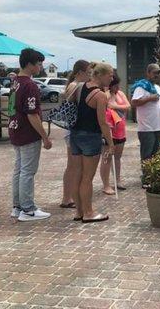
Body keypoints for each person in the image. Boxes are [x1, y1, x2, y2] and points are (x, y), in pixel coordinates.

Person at [8, 48, 52, 222]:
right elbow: (32, 114)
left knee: (19, 170)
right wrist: (45, 137)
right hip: (27, 132)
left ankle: (17, 206)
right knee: (27, 171)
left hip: (15, 129)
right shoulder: (30, 85)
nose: (41, 67)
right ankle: (28, 209)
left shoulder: (14, 82)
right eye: (39, 64)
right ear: (30, 64)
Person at [69, 62, 114, 223]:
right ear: (100, 75)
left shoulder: (79, 87)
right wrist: (110, 143)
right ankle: (88, 212)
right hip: (90, 136)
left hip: (75, 134)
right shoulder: (100, 95)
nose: (112, 78)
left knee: (77, 175)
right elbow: (103, 122)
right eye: (109, 75)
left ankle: (79, 212)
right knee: (87, 177)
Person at [59, 60, 90, 208]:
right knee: (72, 165)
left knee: (72, 165)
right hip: (72, 129)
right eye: (88, 73)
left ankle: (68, 196)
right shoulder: (76, 85)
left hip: (70, 128)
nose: (89, 76)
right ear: (80, 73)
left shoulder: (72, 85)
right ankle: (67, 197)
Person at [131, 64, 160, 181]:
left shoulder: (157, 87)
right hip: (146, 128)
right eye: (155, 73)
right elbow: (134, 103)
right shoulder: (142, 87)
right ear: (148, 73)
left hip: (157, 127)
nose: (157, 75)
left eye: (158, 73)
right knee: (147, 155)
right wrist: (149, 98)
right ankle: (146, 179)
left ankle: (153, 177)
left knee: (155, 154)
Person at [100, 73, 131, 195]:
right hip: (109, 131)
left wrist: (115, 105)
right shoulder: (105, 95)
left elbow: (128, 106)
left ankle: (117, 180)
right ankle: (106, 184)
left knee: (118, 157)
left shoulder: (120, 94)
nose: (117, 88)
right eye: (115, 86)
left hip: (120, 130)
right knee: (106, 157)